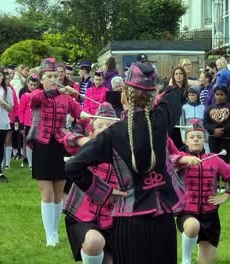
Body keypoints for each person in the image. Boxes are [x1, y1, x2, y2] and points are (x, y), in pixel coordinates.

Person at [66, 62, 187, 264]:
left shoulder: (111, 134)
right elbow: (172, 97)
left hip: (128, 220)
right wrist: (150, 98)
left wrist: (103, 192)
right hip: (162, 217)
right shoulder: (162, 118)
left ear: (124, 96)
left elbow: (73, 166)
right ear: (151, 95)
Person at [173, 119, 230, 264]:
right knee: (193, 226)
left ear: (204, 139)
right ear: (186, 141)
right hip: (187, 212)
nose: (196, 140)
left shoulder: (215, 160)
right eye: (192, 137)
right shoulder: (180, 159)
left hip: (210, 216)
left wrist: (225, 196)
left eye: (199, 136)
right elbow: (169, 161)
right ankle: (186, 260)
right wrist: (182, 160)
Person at [29, 58, 82, 246]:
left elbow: (80, 114)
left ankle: (55, 231)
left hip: (61, 145)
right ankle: (49, 234)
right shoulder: (36, 94)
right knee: (47, 192)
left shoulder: (65, 97)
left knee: (59, 191)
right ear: (42, 80)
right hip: (42, 146)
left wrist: (93, 111)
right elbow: (33, 101)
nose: (53, 78)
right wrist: (56, 90)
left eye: (55, 75)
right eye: (49, 76)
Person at [63, 102, 118, 264]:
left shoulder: (126, 153)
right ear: (92, 133)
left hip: (116, 220)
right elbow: (67, 138)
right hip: (83, 216)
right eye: (100, 126)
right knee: (94, 242)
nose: (105, 129)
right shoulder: (87, 148)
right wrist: (84, 142)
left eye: (110, 125)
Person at [203, 85, 230, 164]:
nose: (219, 97)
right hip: (213, 138)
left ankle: (226, 176)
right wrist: (214, 130)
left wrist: (223, 130)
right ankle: (215, 176)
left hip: (226, 138)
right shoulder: (209, 108)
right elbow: (205, 123)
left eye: (221, 94)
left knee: (224, 160)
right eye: (217, 94)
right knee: (214, 159)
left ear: (226, 95)